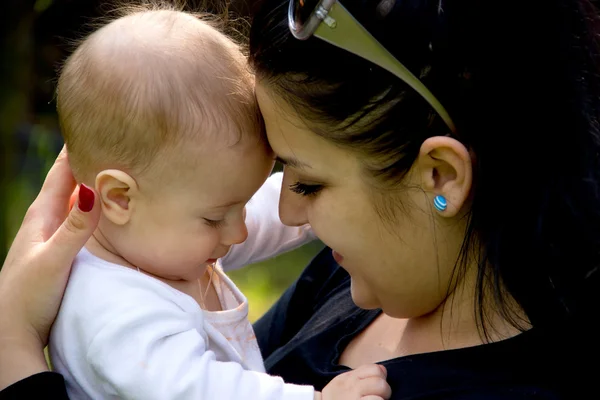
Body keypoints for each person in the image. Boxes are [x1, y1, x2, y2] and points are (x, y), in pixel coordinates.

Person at [1, 0, 599, 398]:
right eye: (284, 177)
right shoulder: (358, 282)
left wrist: (13, 344)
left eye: (307, 181)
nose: (281, 214)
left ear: (439, 177)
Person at [42, 4, 391, 400]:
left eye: (238, 206)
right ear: (120, 199)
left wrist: (331, 200)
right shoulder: (111, 311)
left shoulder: (157, 238)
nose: (239, 229)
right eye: (214, 218)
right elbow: (198, 389)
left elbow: (263, 213)